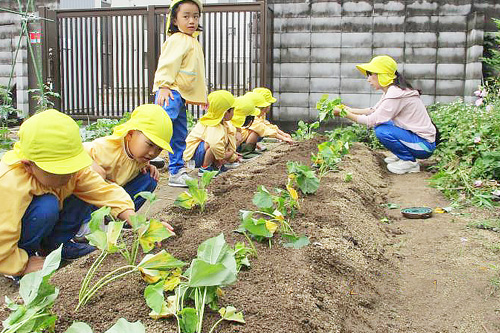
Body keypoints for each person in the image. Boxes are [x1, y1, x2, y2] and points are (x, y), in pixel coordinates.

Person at [0, 109, 136, 277]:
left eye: (72, 167)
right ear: (28, 165)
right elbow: (3, 234)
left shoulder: (72, 173)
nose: (69, 174)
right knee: (46, 206)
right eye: (60, 171)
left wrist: (134, 219)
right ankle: (24, 258)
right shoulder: (10, 182)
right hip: (13, 240)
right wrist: (19, 264)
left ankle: (56, 246)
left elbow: (103, 190)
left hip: (40, 225)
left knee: (84, 192)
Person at [75, 104, 175, 238]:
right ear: (130, 134)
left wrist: (147, 164)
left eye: (158, 149)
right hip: (90, 200)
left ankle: (118, 220)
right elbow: (77, 151)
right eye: (150, 144)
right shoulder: (105, 149)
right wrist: (90, 163)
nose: (152, 153)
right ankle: (83, 227)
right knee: (93, 178)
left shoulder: (139, 156)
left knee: (149, 179)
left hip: (112, 199)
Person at [334, 55, 437, 174]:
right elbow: (374, 110)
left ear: (382, 75)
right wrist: (349, 109)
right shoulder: (394, 90)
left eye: (370, 75)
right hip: (419, 140)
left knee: (382, 130)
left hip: (424, 146)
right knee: (384, 124)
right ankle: (402, 155)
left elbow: (371, 121)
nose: (368, 80)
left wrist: (344, 113)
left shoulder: (395, 94)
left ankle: (409, 162)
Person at [153, 0, 207, 187]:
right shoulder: (177, 39)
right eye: (186, 16)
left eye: (195, 16)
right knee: (162, 126)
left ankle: (176, 170)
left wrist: (202, 97)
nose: (191, 20)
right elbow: (167, 64)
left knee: (179, 133)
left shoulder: (192, 41)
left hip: (180, 95)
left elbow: (197, 74)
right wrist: (164, 85)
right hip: (171, 92)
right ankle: (143, 157)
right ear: (174, 20)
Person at [183, 90, 238, 175]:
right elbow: (214, 144)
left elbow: (230, 141)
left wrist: (232, 155)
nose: (234, 113)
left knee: (221, 141)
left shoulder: (223, 124)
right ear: (225, 112)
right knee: (213, 143)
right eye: (233, 110)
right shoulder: (213, 125)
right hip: (194, 156)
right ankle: (205, 168)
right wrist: (223, 157)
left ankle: (215, 166)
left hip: (201, 152)